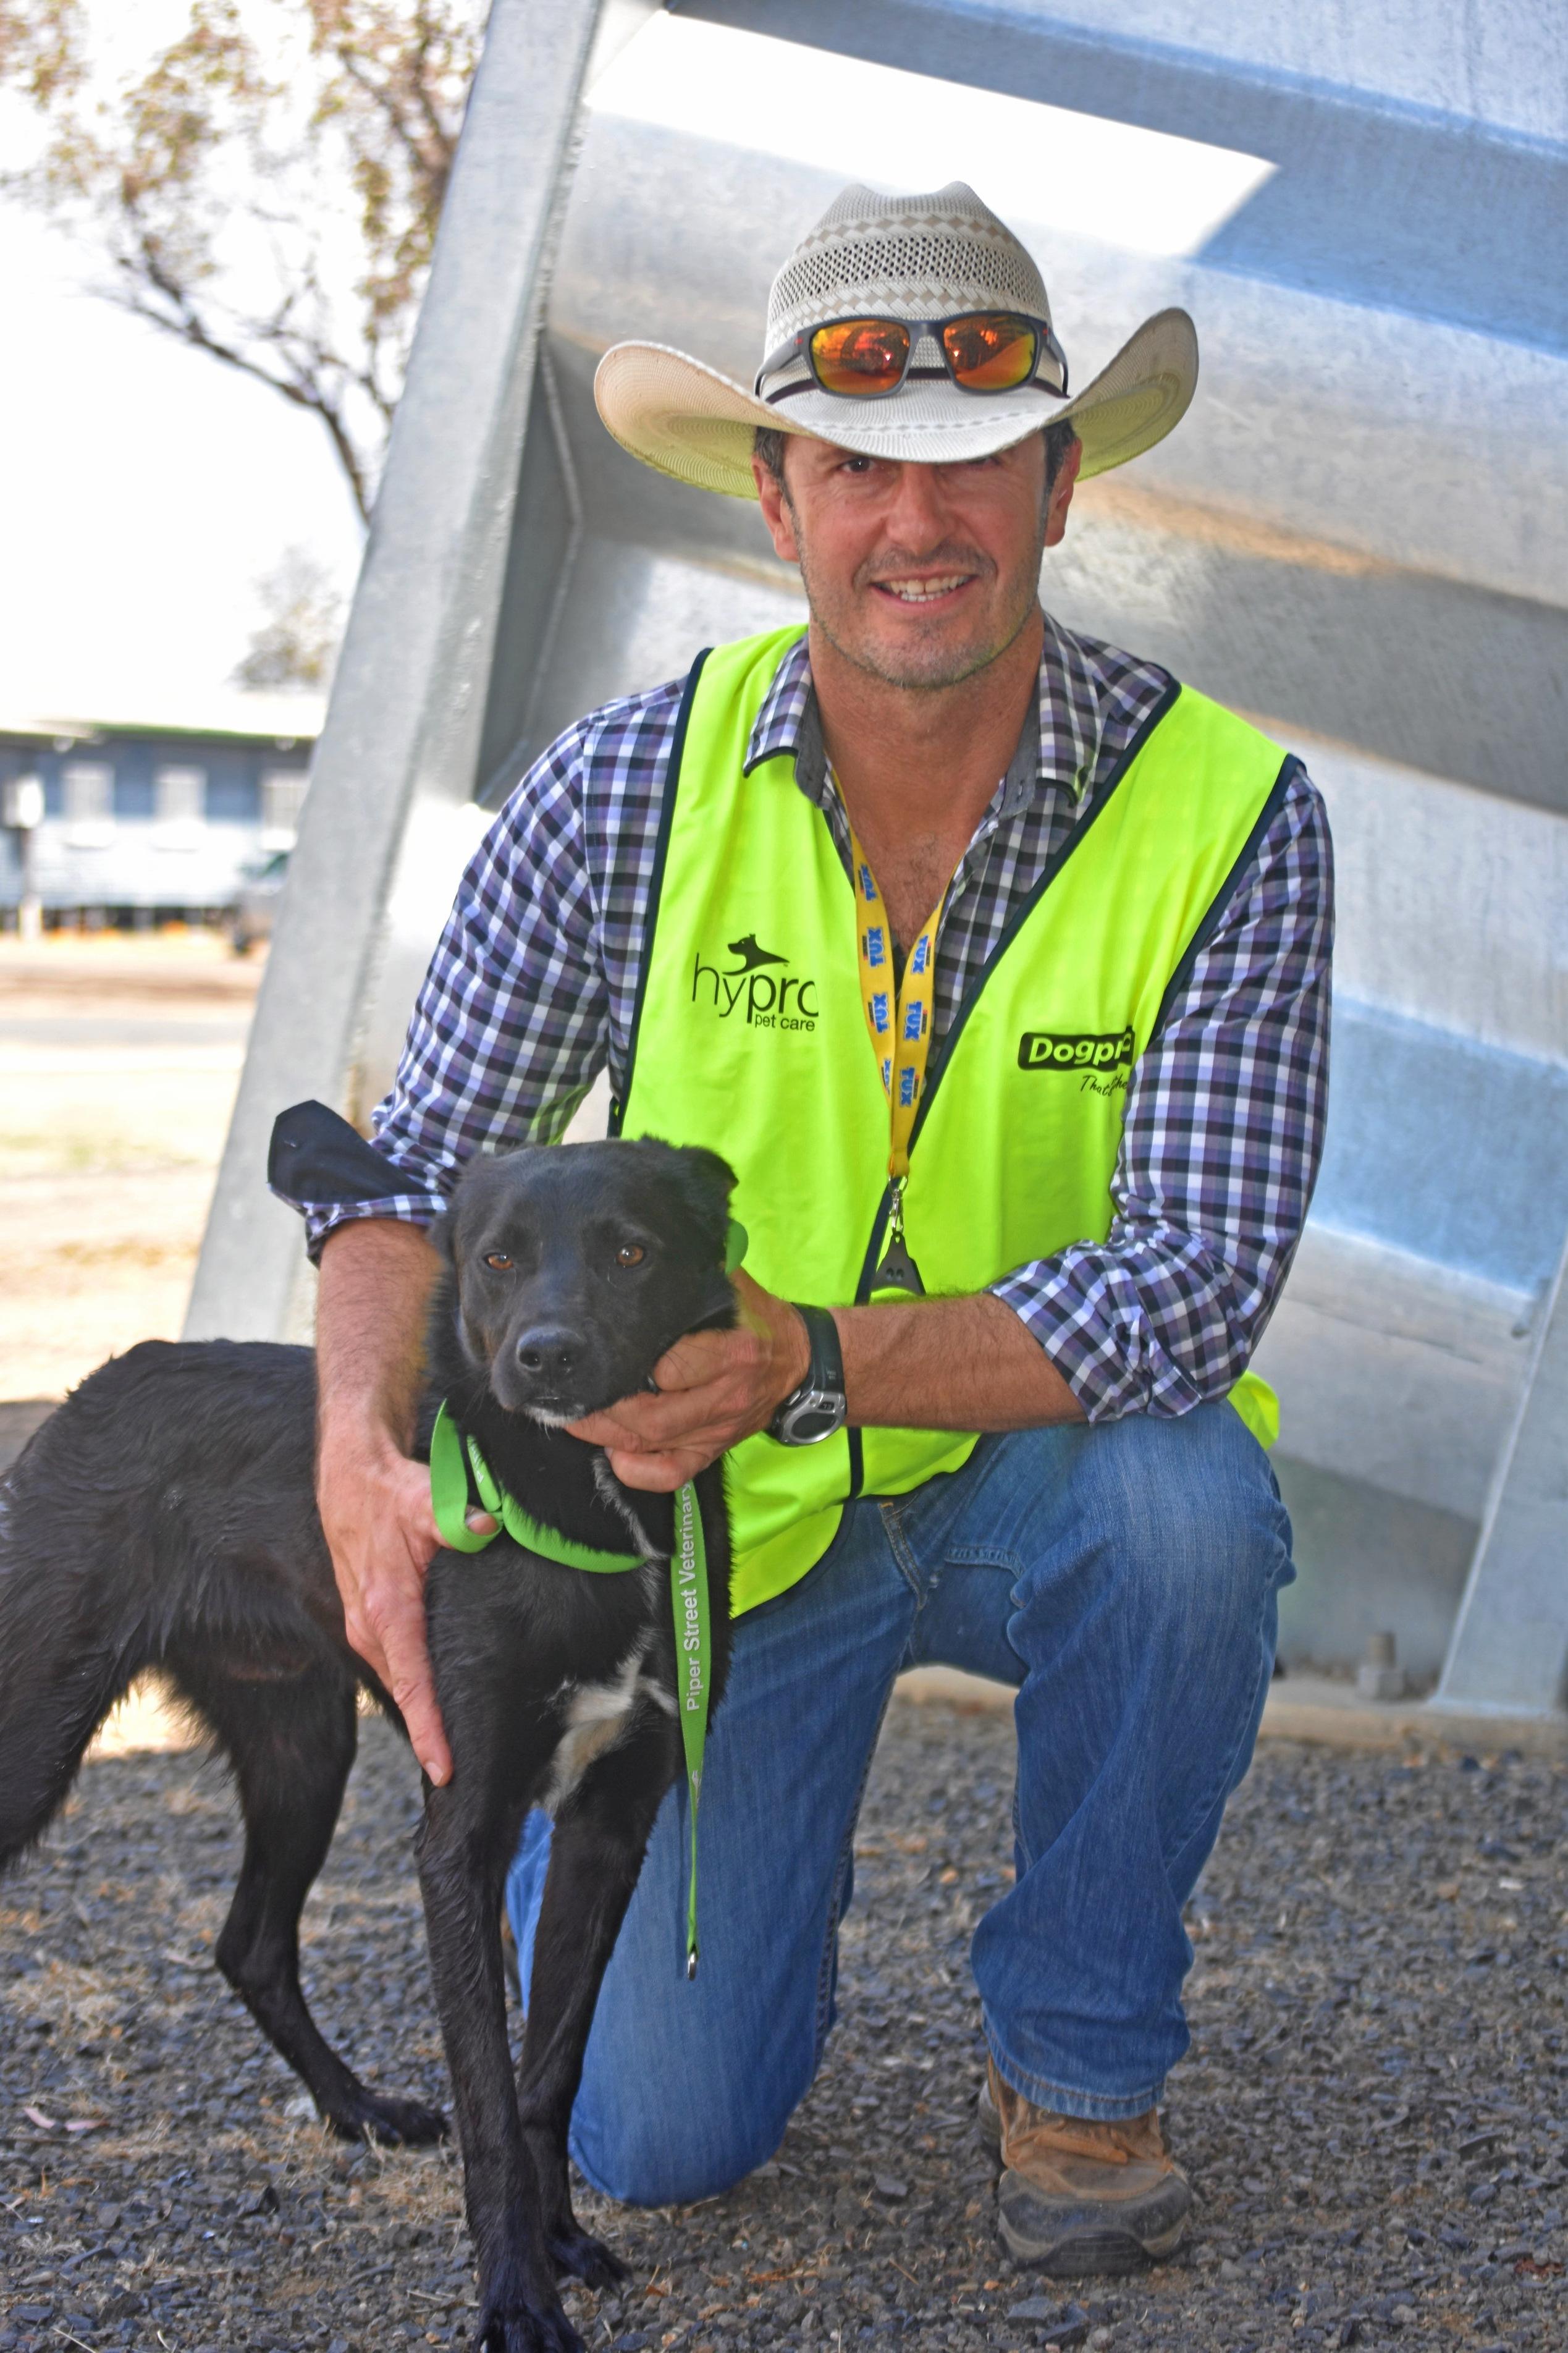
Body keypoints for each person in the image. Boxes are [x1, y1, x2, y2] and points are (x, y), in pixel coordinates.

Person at [278, 181, 1331, 2275]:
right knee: (658, 2141)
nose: (913, 521)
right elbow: (416, 1181)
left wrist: (816, 1358)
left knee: (1192, 1511)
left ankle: (1079, 2075)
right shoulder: (616, 794)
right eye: (856, 465)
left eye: (970, 466)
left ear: (1054, 486)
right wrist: (353, 1447)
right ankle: (764, 1925)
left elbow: (1197, 1281)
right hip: (715, 1539)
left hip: (1038, 1471)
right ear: (776, 496)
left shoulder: (1228, 812)